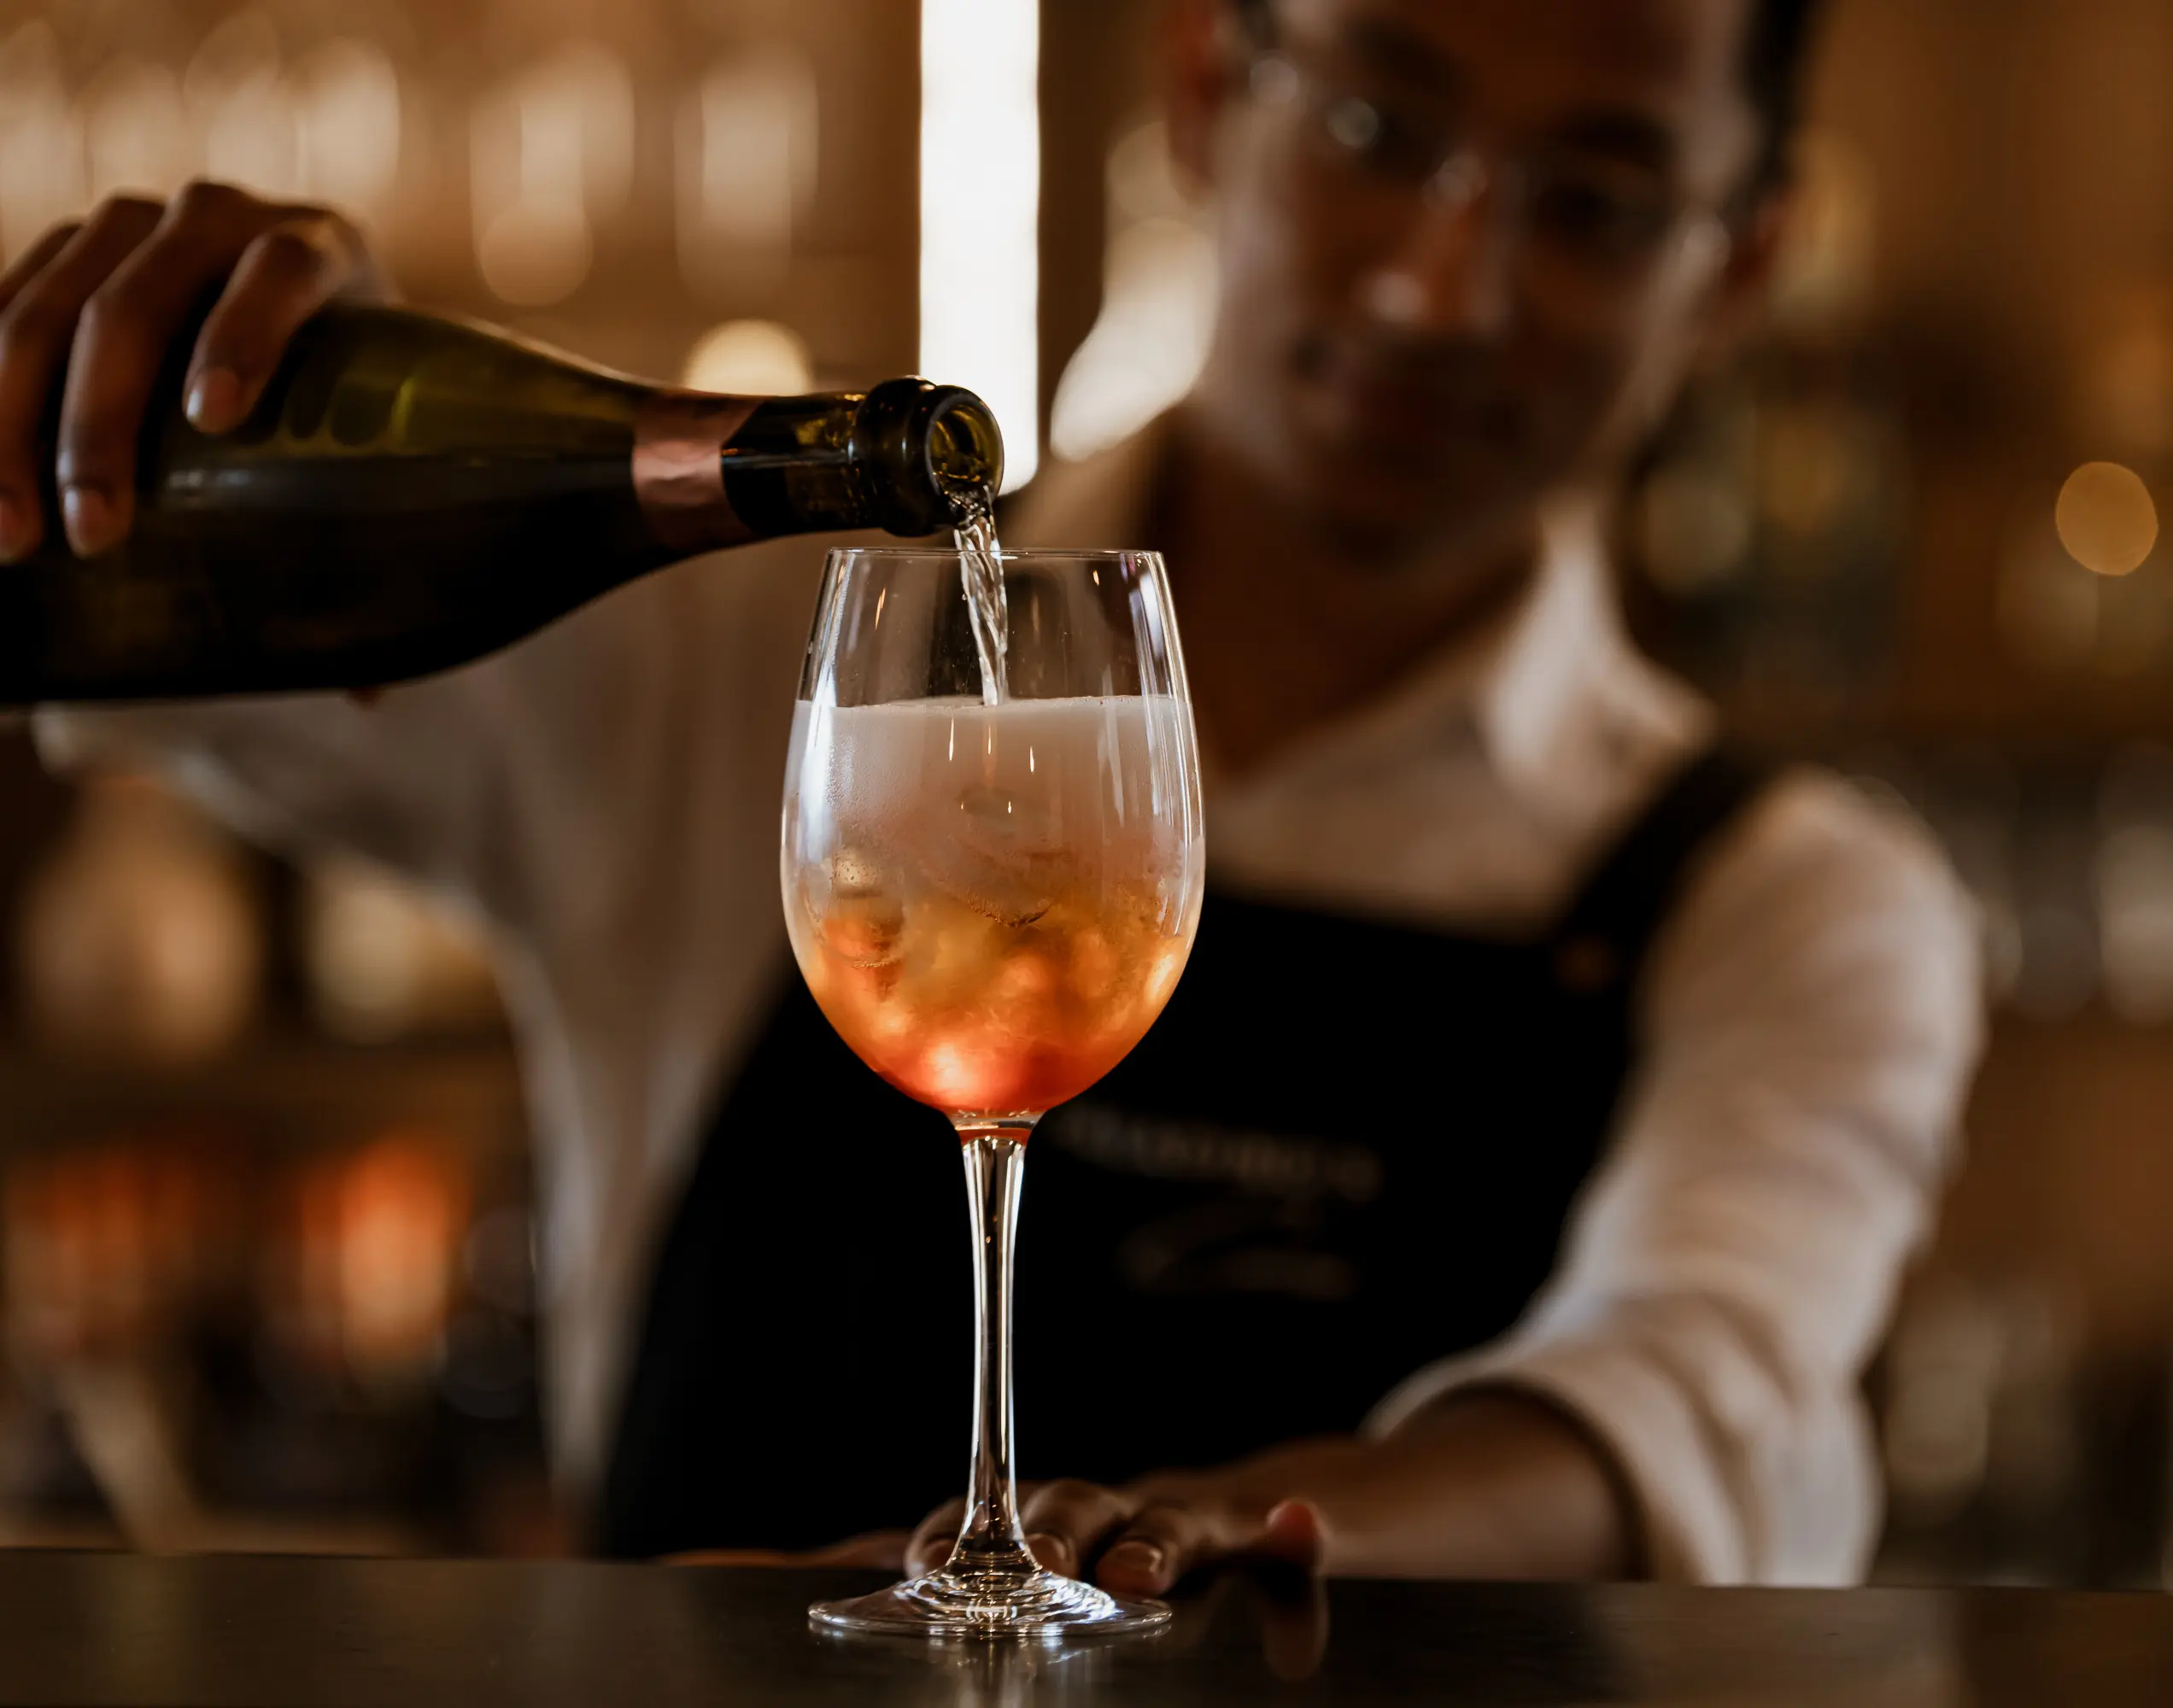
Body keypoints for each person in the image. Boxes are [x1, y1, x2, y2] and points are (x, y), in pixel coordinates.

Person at [11, 0, 1980, 1592]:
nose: (1439, 289)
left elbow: (1689, 1397)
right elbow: (155, 646)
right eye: (1379, 125)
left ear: (1743, 260)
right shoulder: (754, 667)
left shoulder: (1794, 900)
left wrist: (1210, 1537)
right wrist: (191, 411)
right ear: (1207, 85)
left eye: (1599, 202)